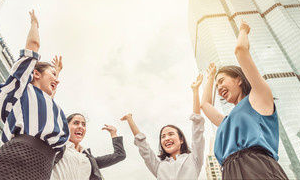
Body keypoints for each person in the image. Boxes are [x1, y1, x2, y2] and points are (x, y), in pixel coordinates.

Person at [0, 10, 69, 180]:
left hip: (42, 167)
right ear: (35, 74)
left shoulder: (45, 104)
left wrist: (56, 72)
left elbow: (47, 100)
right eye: (53, 75)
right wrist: (34, 23)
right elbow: (33, 45)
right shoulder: (20, 91)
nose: (57, 80)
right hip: (16, 160)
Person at [200, 20, 288, 179]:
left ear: (239, 79)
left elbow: (240, 50)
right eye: (217, 85)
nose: (219, 88)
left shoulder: (258, 97)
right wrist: (211, 78)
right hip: (229, 171)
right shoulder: (226, 121)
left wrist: (243, 30)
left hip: (256, 167)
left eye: (222, 81)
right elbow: (205, 104)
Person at [120, 74, 205, 180]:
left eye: (171, 134)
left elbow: (197, 128)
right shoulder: (158, 166)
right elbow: (143, 147)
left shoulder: (194, 158)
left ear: (181, 140)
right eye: (163, 136)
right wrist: (129, 119)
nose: (166, 138)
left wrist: (195, 90)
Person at [51, 113, 126, 180]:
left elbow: (120, 155)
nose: (80, 126)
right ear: (66, 127)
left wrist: (113, 133)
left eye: (83, 124)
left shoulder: (89, 159)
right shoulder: (55, 147)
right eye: (76, 123)